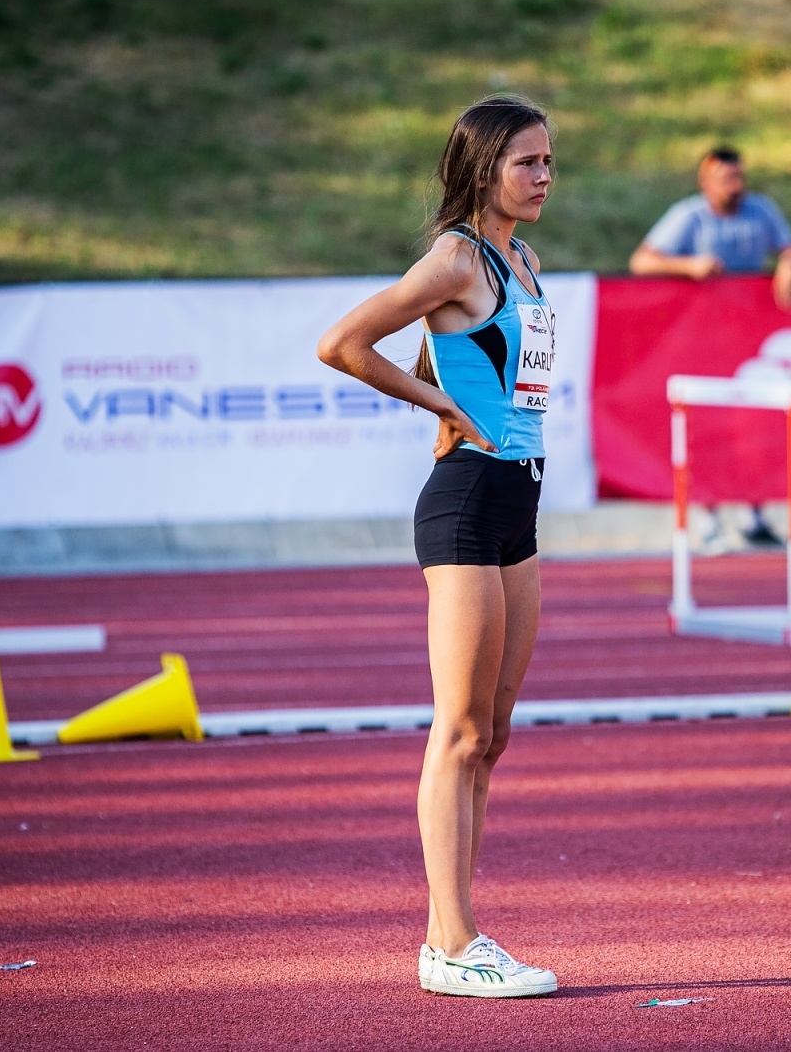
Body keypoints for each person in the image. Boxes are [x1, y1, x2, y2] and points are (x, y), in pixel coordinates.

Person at [316, 95, 559, 999]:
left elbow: (470, 357)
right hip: (461, 507)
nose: (542, 177)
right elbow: (342, 344)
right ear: (484, 165)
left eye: (547, 162)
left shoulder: (521, 259)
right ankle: (455, 944)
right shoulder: (455, 255)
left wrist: (447, 385)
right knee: (456, 730)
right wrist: (441, 407)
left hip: (519, 505)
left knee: (490, 735)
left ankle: (445, 936)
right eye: (526, 162)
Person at [630, 146, 791, 548]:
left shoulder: (760, 211)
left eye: (740, 177)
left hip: (749, 341)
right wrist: (688, 266)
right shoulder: (688, 217)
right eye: (727, 179)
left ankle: (754, 512)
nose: (736, 187)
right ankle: (708, 516)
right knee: (706, 425)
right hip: (701, 342)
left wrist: (789, 263)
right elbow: (642, 261)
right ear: (705, 181)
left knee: (754, 423)